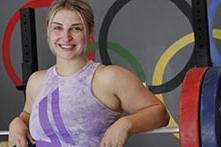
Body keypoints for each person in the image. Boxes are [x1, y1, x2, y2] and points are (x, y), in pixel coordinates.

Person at [8, 0, 170, 147]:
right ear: (49, 32)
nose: (66, 37)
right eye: (58, 27)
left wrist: (125, 124)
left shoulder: (109, 77)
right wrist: (17, 122)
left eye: (76, 28)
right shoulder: (37, 81)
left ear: (89, 32)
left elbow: (160, 113)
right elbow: (27, 115)